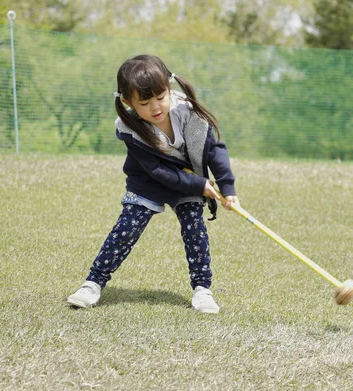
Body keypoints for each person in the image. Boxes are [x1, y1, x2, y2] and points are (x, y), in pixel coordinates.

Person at [67, 54, 239, 313]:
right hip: (149, 182)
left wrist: (227, 188)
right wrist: (198, 185)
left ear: (169, 89)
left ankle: (203, 290)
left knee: (195, 230)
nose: (156, 108)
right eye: (145, 103)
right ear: (128, 102)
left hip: (188, 179)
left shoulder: (190, 114)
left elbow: (214, 151)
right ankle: (92, 284)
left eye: (160, 98)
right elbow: (157, 170)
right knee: (126, 230)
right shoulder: (130, 129)